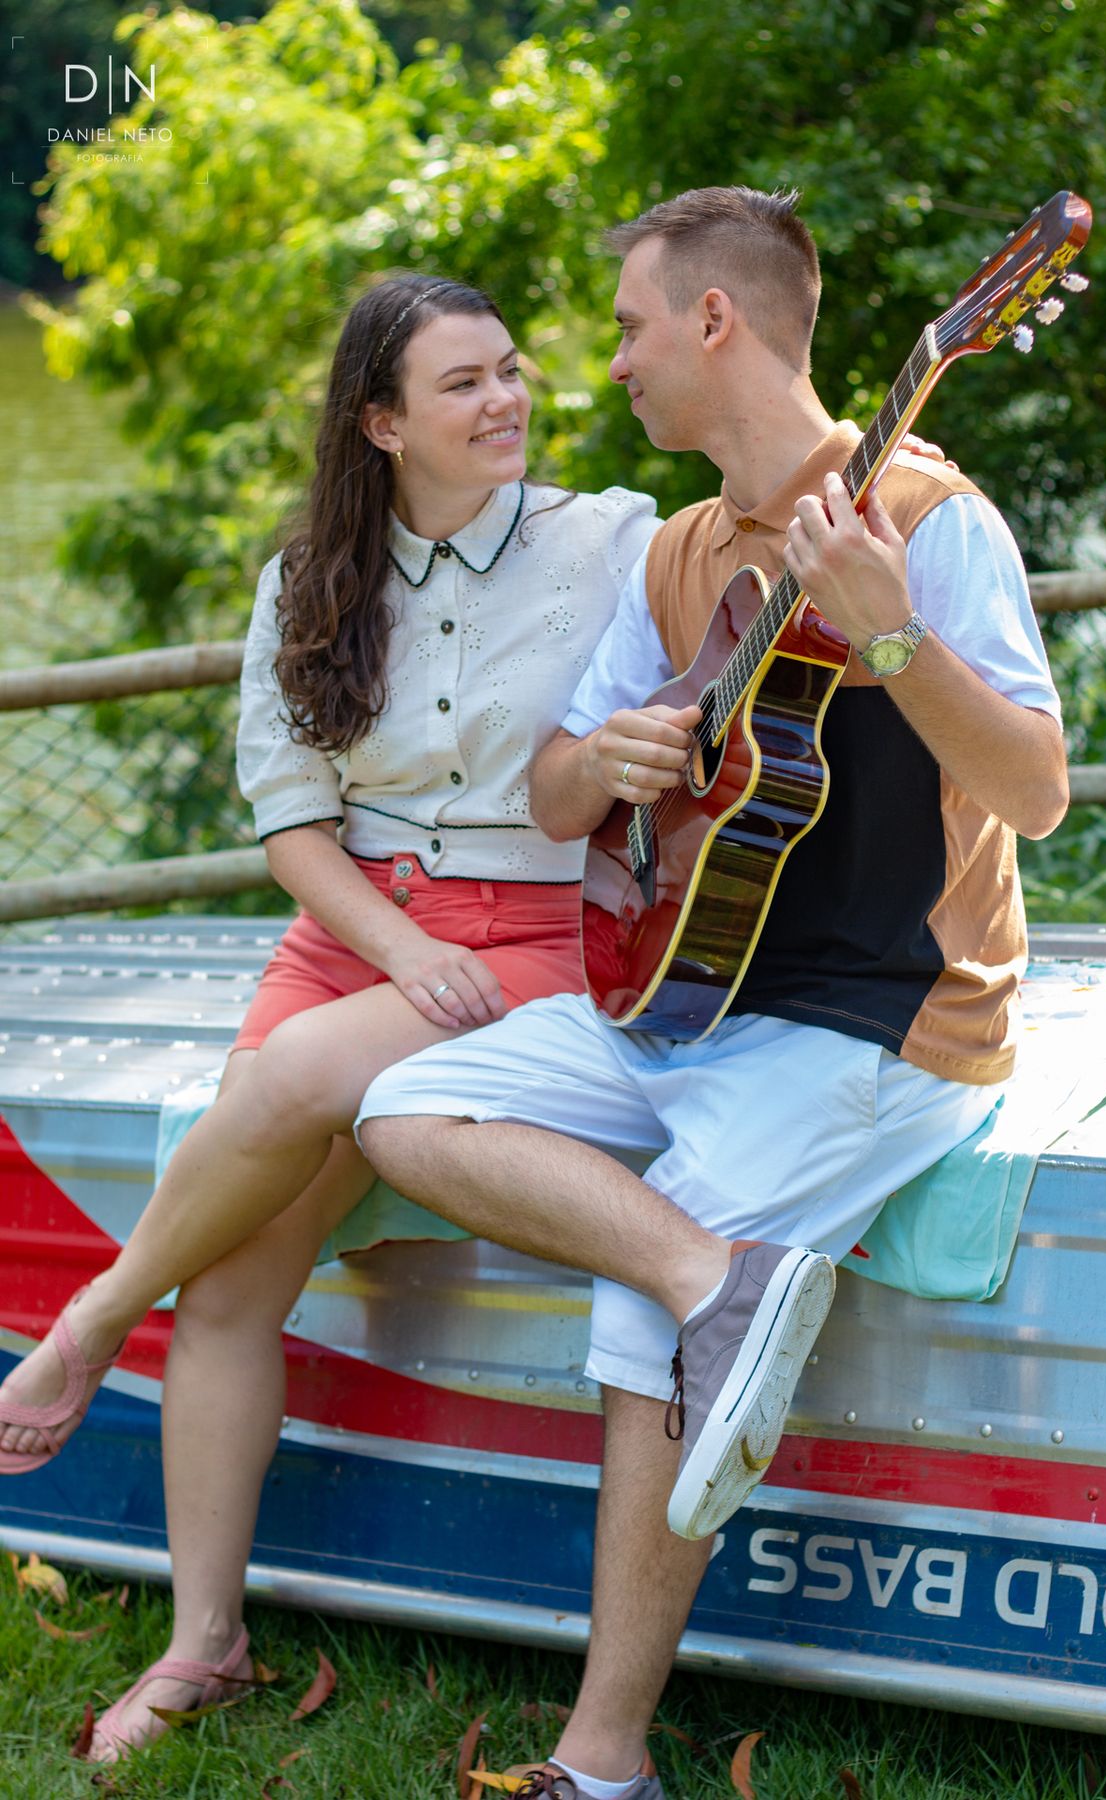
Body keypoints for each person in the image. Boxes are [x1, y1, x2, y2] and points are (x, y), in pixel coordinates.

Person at [351, 187, 1069, 1800]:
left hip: (888, 1024)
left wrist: (893, 643)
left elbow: (1035, 792)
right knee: (405, 1103)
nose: (608, 364)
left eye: (627, 327)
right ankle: (710, 1272)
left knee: (629, 1322)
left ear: (717, 323)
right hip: (688, 994)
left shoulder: (932, 518)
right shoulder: (682, 552)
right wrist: (601, 761)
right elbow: (552, 800)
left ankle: (599, 1767)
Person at [0, 273, 661, 1759]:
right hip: (350, 932)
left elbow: (742, 574)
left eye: (511, 371)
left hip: (534, 936)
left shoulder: (611, 536)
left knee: (293, 1078)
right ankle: (205, 1645)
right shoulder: (311, 574)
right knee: (235, 1283)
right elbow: (294, 821)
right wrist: (388, 939)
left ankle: (90, 1317)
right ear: (381, 424)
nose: (508, 401)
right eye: (462, 384)